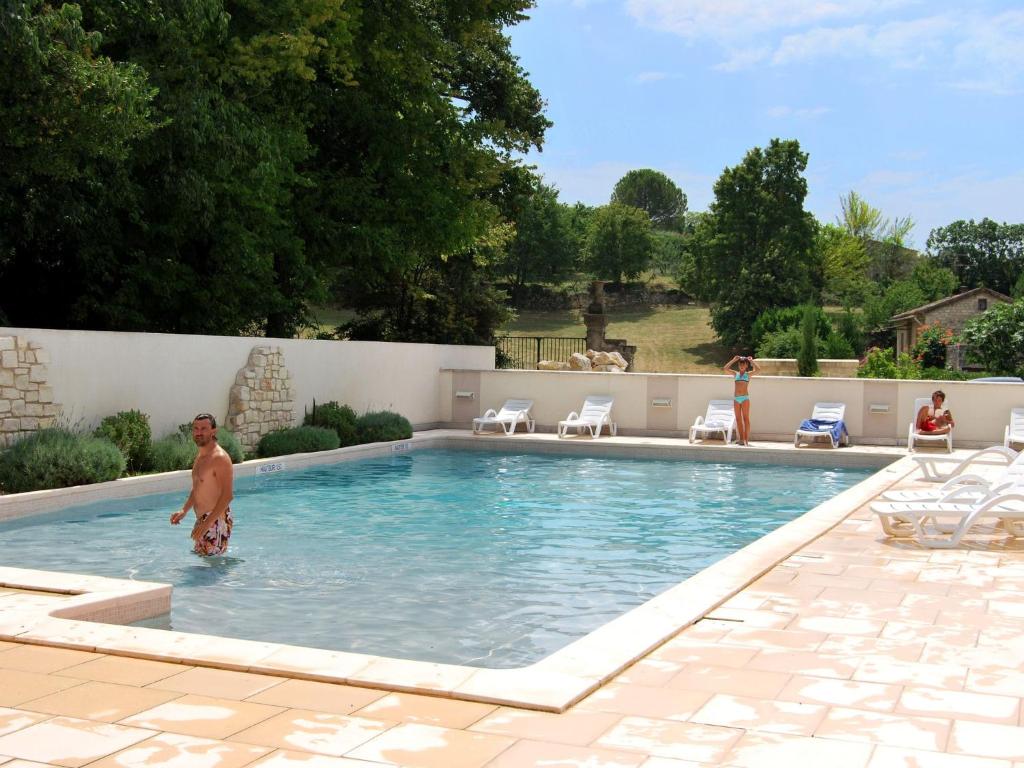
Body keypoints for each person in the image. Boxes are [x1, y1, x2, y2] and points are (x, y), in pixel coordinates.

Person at [171, 413, 234, 556]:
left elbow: (227, 496)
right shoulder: (201, 456)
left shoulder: (220, 458)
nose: (199, 432)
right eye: (196, 428)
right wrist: (184, 510)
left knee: (212, 565)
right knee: (203, 560)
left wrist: (207, 524)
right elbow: (197, 488)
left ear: (213, 431)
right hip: (204, 519)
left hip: (216, 520)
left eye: (204, 429)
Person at [724, 354, 760, 446]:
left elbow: (758, 370)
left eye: (743, 364)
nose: (742, 365)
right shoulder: (735, 374)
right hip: (736, 399)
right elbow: (725, 368)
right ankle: (741, 439)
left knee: (746, 419)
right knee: (738, 419)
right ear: (738, 365)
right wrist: (733, 360)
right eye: (740, 364)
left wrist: (751, 361)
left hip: (744, 399)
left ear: (746, 365)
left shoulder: (748, 374)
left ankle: (746, 439)